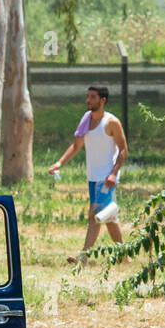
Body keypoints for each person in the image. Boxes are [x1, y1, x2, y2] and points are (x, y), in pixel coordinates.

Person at [49, 85, 128, 264]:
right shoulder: (86, 119)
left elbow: (124, 150)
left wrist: (114, 174)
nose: (88, 100)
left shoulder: (111, 122)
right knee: (109, 218)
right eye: (87, 96)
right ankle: (125, 256)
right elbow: (76, 146)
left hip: (106, 177)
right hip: (92, 177)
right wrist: (59, 163)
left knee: (94, 216)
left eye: (92, 97)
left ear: (102, 100)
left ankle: (83, 258)